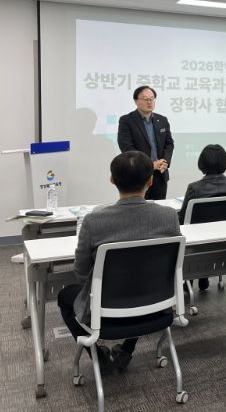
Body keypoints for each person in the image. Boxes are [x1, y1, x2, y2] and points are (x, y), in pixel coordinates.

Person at [57, 151, 182, 373]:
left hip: (105, 312)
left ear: (112, 179)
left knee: (65, 295)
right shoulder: (169, 216)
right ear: (151, 180)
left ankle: (98, 356)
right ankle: (126, 350)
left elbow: (81, 272)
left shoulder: (94, 221)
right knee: (142, 283)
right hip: (156, 308)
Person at [177, 144, 226, 291]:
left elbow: (183, 220)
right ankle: (203, 278)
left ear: (202, 163)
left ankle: (193, 278)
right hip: (225, 243)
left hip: (196, 247)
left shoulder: (194, 188)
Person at [117, 85, 174, 200]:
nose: (149, 102)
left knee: (159, 208)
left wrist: (165, 162)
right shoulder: (126, 121)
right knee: (138, 208)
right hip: (138, 176)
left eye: (152, 99)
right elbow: (127, 148)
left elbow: (169, 144)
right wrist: (150, 165)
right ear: (136, 101)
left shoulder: (162, 120)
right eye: (145, 99)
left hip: (160, 175)